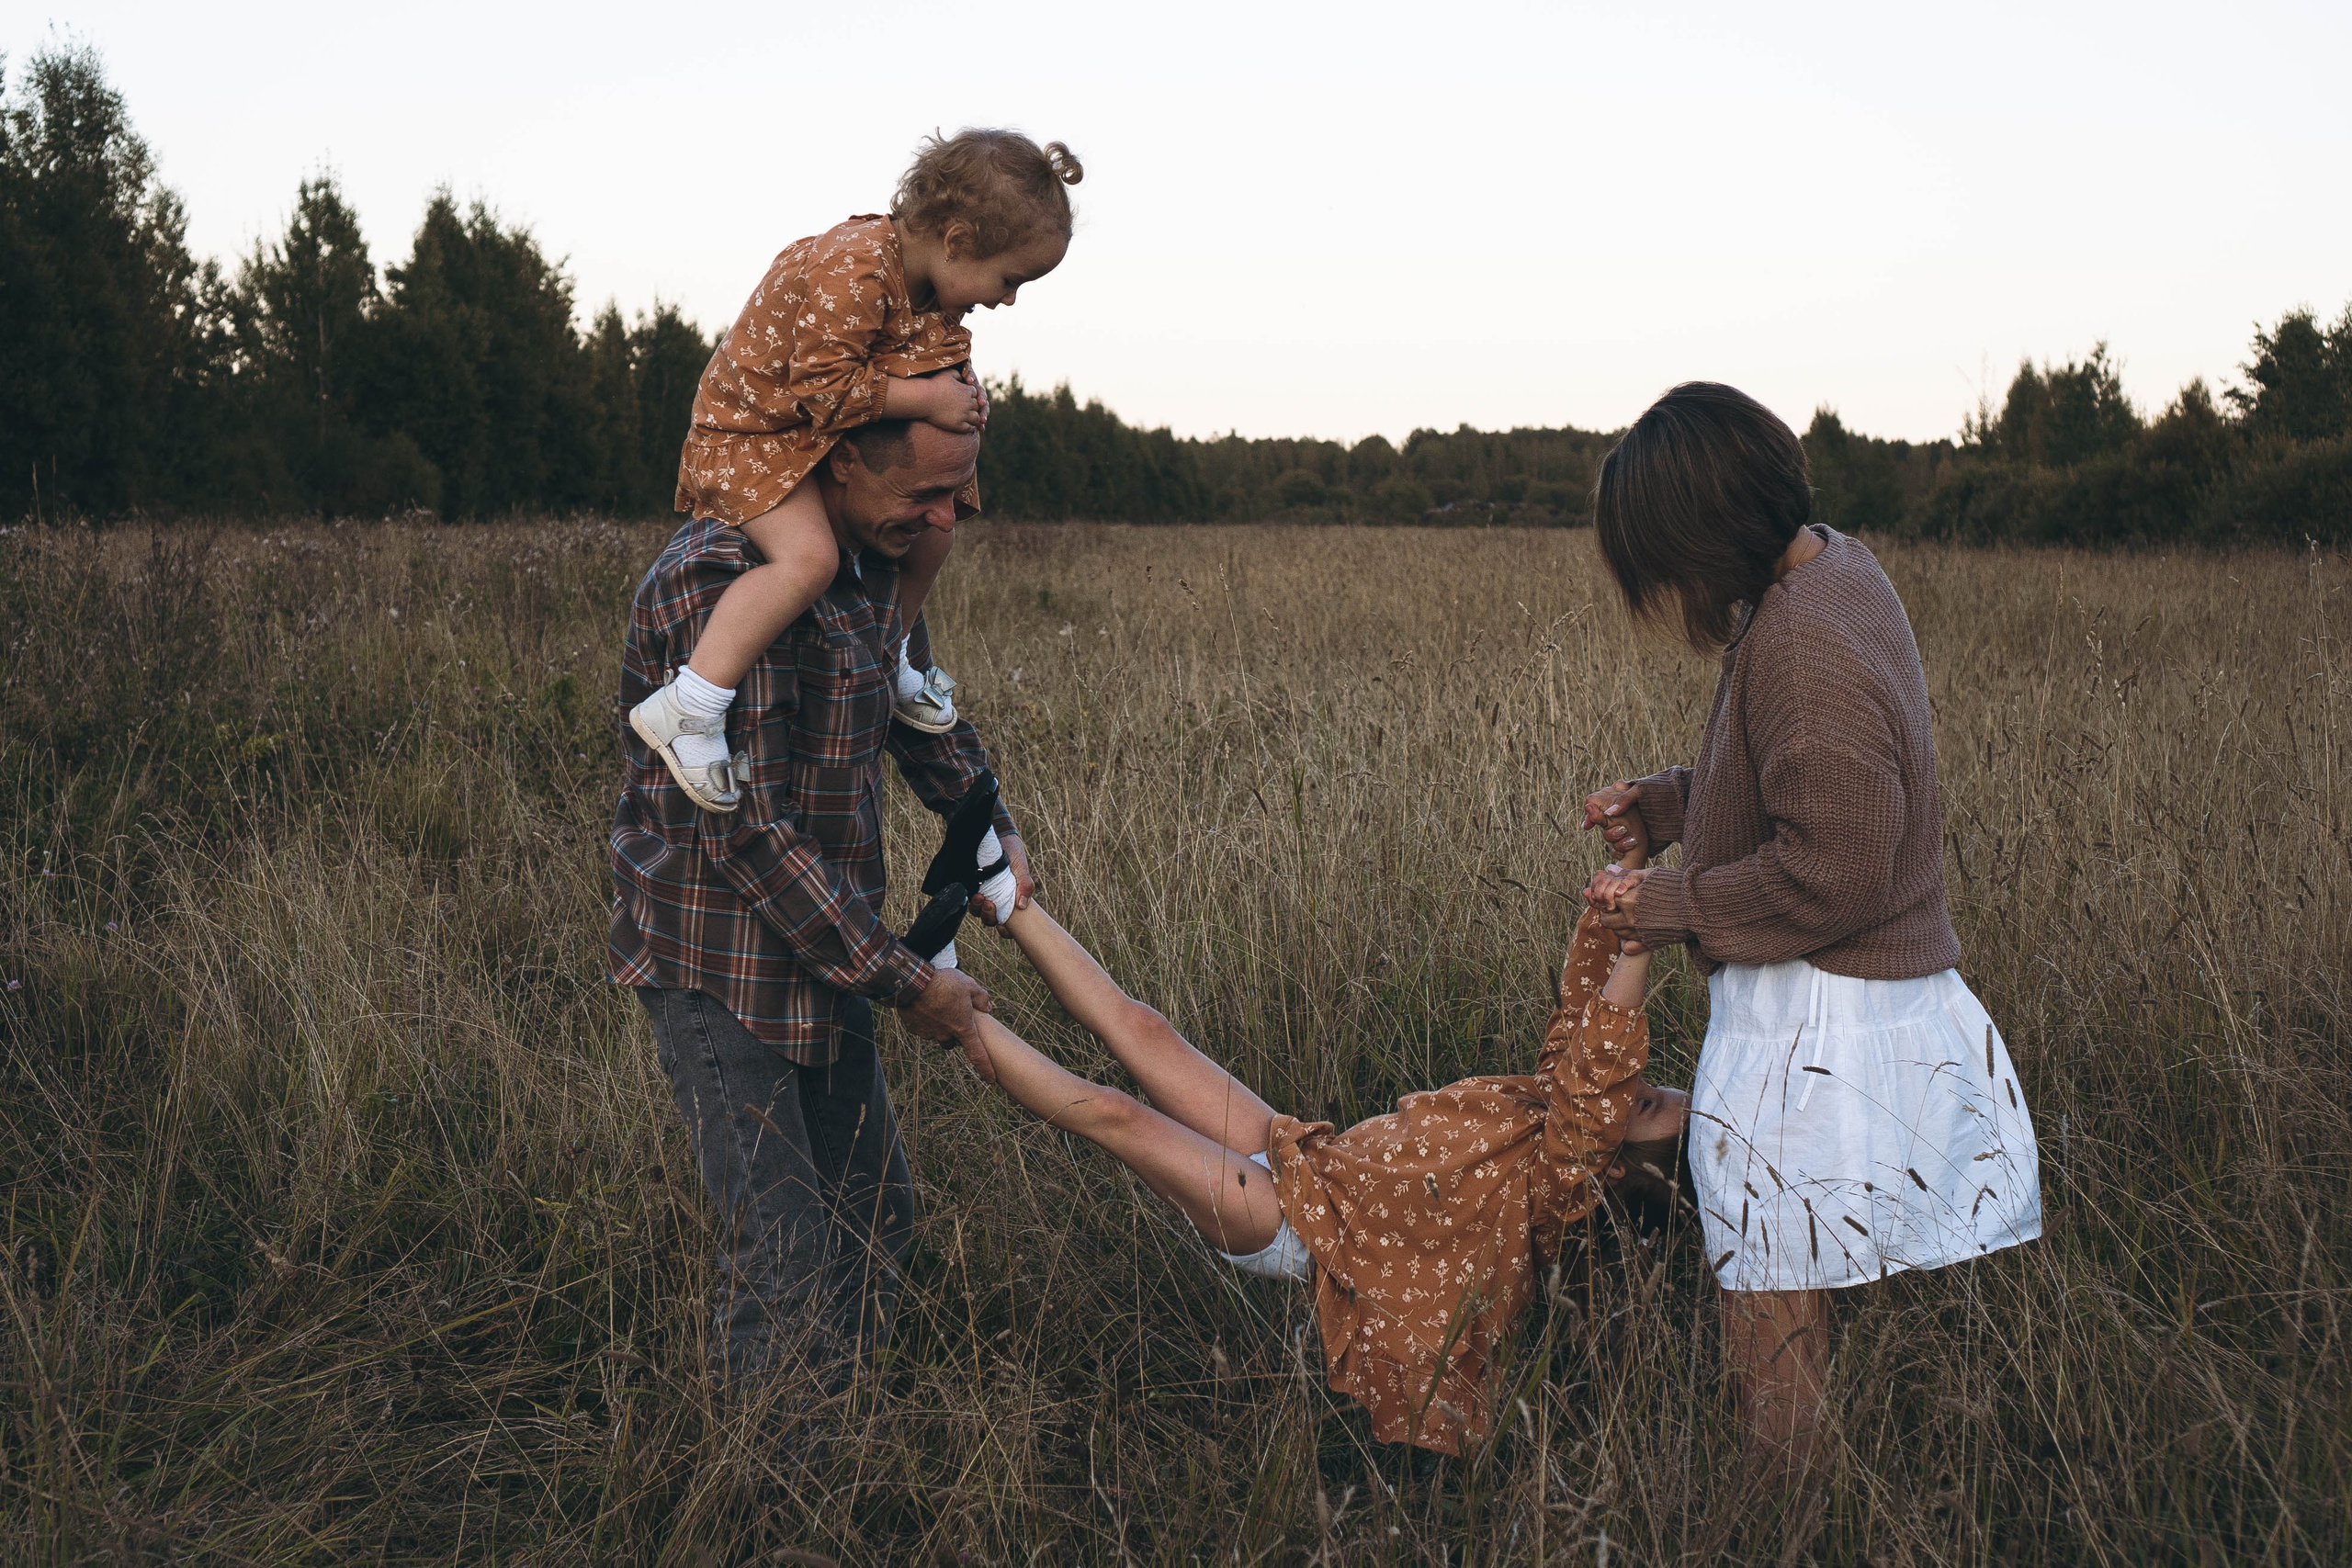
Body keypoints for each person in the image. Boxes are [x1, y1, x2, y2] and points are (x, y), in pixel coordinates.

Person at [1577, 381, 2042, 1479]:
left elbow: (1833, 870)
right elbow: (1806, 788)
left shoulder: (1801, 642)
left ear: (1702, 538)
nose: (1668, 593)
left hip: (1822, 1022)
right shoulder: (1831, 570)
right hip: (1833, 1004)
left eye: (1662, 565)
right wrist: (1673, 804)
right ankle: (1795, 1506)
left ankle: (1776, 1522)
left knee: (1767, 1304)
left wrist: (1668, 904)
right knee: (1773, 1287)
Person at [907, 827, 1690, 1456]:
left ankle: (944, 996)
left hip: (1300, 1229)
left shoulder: (1566, 1179)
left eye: (1649, 1102)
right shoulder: (1559, 1102)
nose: (1633, 1085)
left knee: (1117, 1113)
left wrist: (1641, 942)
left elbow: (1601, 1073)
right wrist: (1630, 865)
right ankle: (997, 889)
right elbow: (1588, 1024)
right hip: (1307, 1156)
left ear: (1619, 1165)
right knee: (1144, 1026)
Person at [608, 410, 1035, 1398]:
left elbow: (914, 709)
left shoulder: (873, 556)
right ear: (840, 460)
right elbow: (745, 830)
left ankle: (850, 1448)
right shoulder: (716, 582)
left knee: (874, 1215)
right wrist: (903, 982)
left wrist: (986, 820)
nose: (944, 520)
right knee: (783, 1252)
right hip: (717, 958)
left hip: (826, 939)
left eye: (954, 494)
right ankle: (780, 1509)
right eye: (922, 495)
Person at [631, 129, 1083, 811]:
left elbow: (931, 370)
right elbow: (822, 391)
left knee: (938, 527)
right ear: (957, 240)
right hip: (751, 435)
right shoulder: (857, 265)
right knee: (810, 559)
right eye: (1010, 279)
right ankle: (691, 702)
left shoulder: (936, 295)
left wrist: (963, 396)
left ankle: (889, 653)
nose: (1009, 299)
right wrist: (933, 397)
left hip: (811, 436)